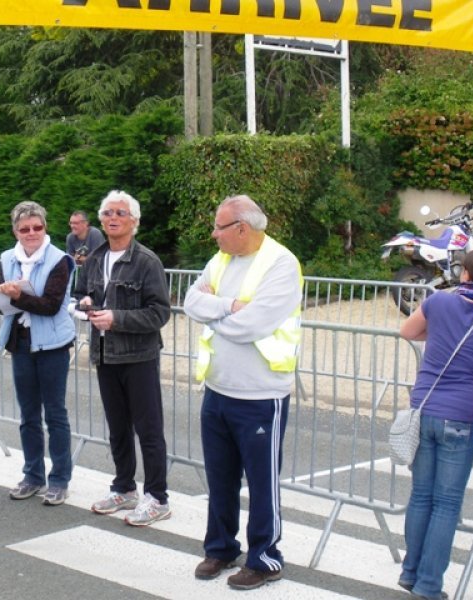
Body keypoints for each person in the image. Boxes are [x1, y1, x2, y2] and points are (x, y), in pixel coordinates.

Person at [183, 194, 302, 590]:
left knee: (262, 483)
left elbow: (253, 325)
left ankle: (265, 558)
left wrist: (215, 314)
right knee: (220, 477)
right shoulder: (221, 259)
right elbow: (190, 301)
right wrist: (231, 305)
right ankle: (220, 547)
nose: (213, 234)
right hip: (218, 388)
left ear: (241, 228)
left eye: (219, 227)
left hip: (260, 395)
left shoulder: (281, 264)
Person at [75, 190, 172, 527]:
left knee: (148, 428)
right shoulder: (94, 258)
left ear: (134, 221)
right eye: (107, 213)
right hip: (104, 353)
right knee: (117, 427)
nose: (112, 218)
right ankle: (124, 488)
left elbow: (159, 313)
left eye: (120, 213)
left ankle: (157, 497)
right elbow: (79, 294)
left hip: (139, 355)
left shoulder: (146, 261)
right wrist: (84, 304)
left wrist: (116, 318)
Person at [396, 249, 473, 600]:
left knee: (421, 496)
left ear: (464, 273)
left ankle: (410, 572)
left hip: (425, 406)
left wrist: (439, 337)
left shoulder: (440, 301)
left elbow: (407, 331)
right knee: (446, 504)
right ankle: (430, 585)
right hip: (462, 414)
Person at [0, 201, 75, 506]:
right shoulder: (7, 258)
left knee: (55, 413)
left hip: (53, 344)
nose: (31, 233)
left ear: (45, 227)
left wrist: (18, 296)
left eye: (37, 227)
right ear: (15, 230)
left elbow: (52, 305)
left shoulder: (60, 260)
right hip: (21, 342)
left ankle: (60, 479)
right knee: (28, 414)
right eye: (24, 228)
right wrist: (3, 296)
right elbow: (0, 300)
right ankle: (32, 475)